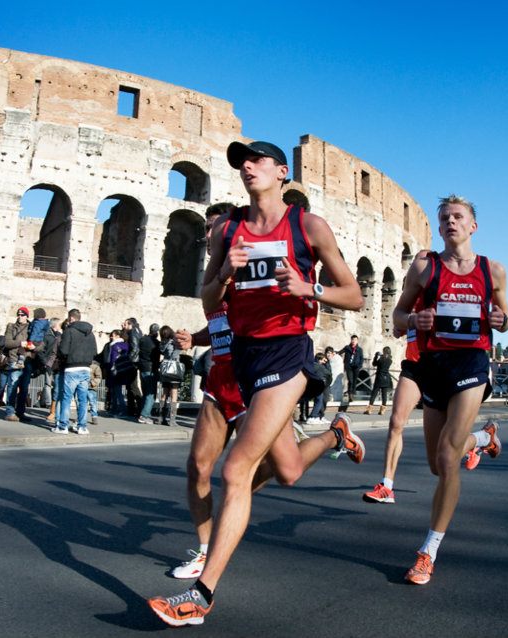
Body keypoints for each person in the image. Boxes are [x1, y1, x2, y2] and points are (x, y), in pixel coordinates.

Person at [149, 140, 366, 626]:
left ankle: (201, 596)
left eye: (256, 160)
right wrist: (225, 272)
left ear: (281, 171)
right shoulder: (228, 229)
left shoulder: (308, 226)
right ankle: (335, 434)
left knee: (236, 469)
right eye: (240, 163)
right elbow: (208, 298)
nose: (246, 167)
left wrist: (309, 288)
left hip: (287, 352)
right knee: (287, 470)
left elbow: (353, 295)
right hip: (241, 358)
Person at [391, 194, 508, 586]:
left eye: (458, 217)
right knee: (436, 464)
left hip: (471, 364)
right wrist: (415, 318)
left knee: (446, 457)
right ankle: (483, 437)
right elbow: (397, 319)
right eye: (444, 218)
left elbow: (506, 318)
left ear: (473, 225)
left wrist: (502, 318)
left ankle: (428, 550)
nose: (450, 222)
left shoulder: (492, 270)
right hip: (433, 367)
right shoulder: (426, 266)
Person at [362, 282, 431, 505]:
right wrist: (403, 326)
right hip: (413, 366)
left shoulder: (439, 296)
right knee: (396, 422)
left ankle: (482, 438)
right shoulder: (407, 302)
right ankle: (387, 486)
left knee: (441, 455)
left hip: (439, 368)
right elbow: (398, 327)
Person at [55, 309, 98, 435]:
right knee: (83, 399)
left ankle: (63, 426)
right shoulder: (90, 333)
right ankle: (82, 427)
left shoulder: (69, 330)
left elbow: (63, 350)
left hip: (71, 368)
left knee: (67, 398)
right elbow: (95, 351)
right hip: (85, 368)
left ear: (71, 318)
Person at [2, 308, 31, 422]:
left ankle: (20, 412)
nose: (20, 316)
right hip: (14, 359)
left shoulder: (31, 327)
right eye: (18, 314)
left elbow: (37, 343)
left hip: (27, 360)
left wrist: (29, 345)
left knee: (24, 388)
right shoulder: (11, 326)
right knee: (12, 386)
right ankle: (10, 412)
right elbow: (7, 342)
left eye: (22, 314)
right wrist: (20, 343)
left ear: (27, 316)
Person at [157, 325, 182, 426]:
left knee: (164, 393)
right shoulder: (173, 342)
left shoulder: (163, 343)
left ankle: (160, 418)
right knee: (174, 394)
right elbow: (175, 355)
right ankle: (172, 420)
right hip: (174, 370)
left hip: (165, 370)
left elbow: (165, 354)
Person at [137, 323, 161, 424]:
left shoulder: (142, 340)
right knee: (151, 394)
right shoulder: (156, 343)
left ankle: (143, 412)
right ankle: (144, 416)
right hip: (151, 370)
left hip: (142, 368)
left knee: (145, 392)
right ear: (157, 332)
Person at [105, 330, 131, 415]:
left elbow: (112, 359)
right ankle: (116, 409)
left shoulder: (114, 346)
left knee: (116, 391)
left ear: (117, 336)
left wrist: (111, 368)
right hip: (123, 370)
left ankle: (120, 409)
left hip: (115, 370)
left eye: (112, 336)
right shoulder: (126, 345)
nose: (111, 337)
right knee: (117, 391)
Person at [364, 346, 393, 415]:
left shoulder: (381, 359)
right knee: (384, 395)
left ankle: (369, 410)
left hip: (379, 378)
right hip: (386, 378)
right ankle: (382, 411)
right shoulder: (390, 360)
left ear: (384, 351)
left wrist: (376, 356)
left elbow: (374, 364)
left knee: (374, 393)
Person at [339, 335, 364, 406]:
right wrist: (335, 353)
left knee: (354, 380)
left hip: (356, 367)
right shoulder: (347, 347)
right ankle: (350, 394)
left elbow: (361, 358)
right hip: (348, 366)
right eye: (352, 340)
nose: (354, 341)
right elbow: (340, 352)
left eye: (355, 340)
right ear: (351, 340)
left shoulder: (359, 349)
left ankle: (352, 393)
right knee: (350, 380)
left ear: (357, 341)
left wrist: (360, 366)